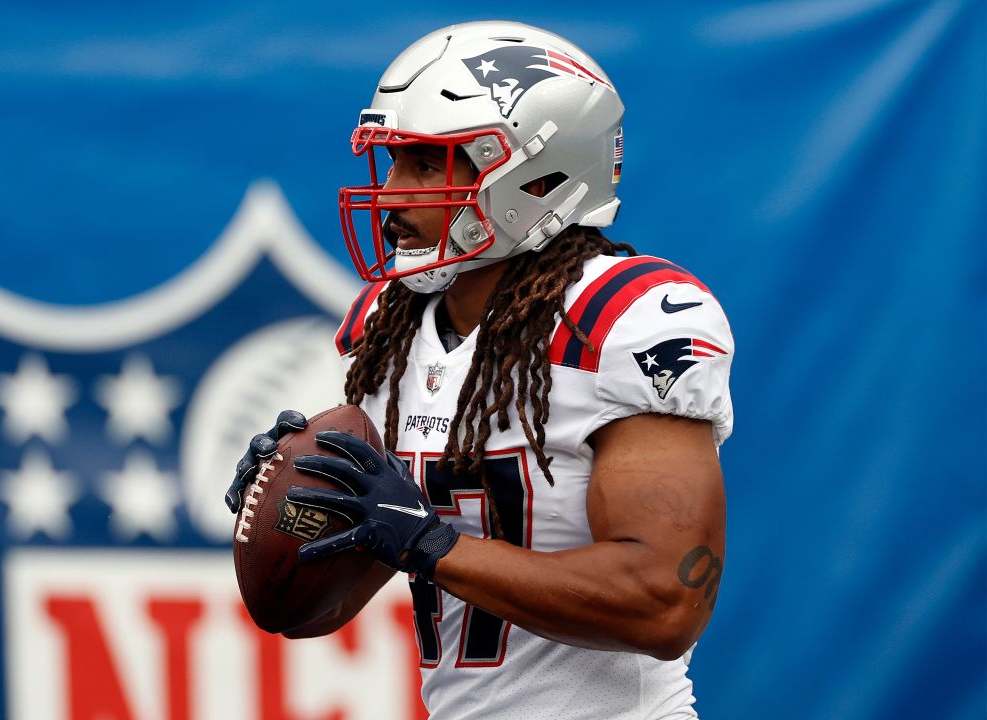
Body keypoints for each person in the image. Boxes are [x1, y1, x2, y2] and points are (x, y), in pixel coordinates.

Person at [226, 20, 733, 720]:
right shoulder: (390, 324)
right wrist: (314, 515)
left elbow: (665, 602)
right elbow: (312, 615)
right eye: (394, 161)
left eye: (428, 164)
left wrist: (431, 542)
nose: (396, 195)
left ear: (535, 173)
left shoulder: (623, 320)